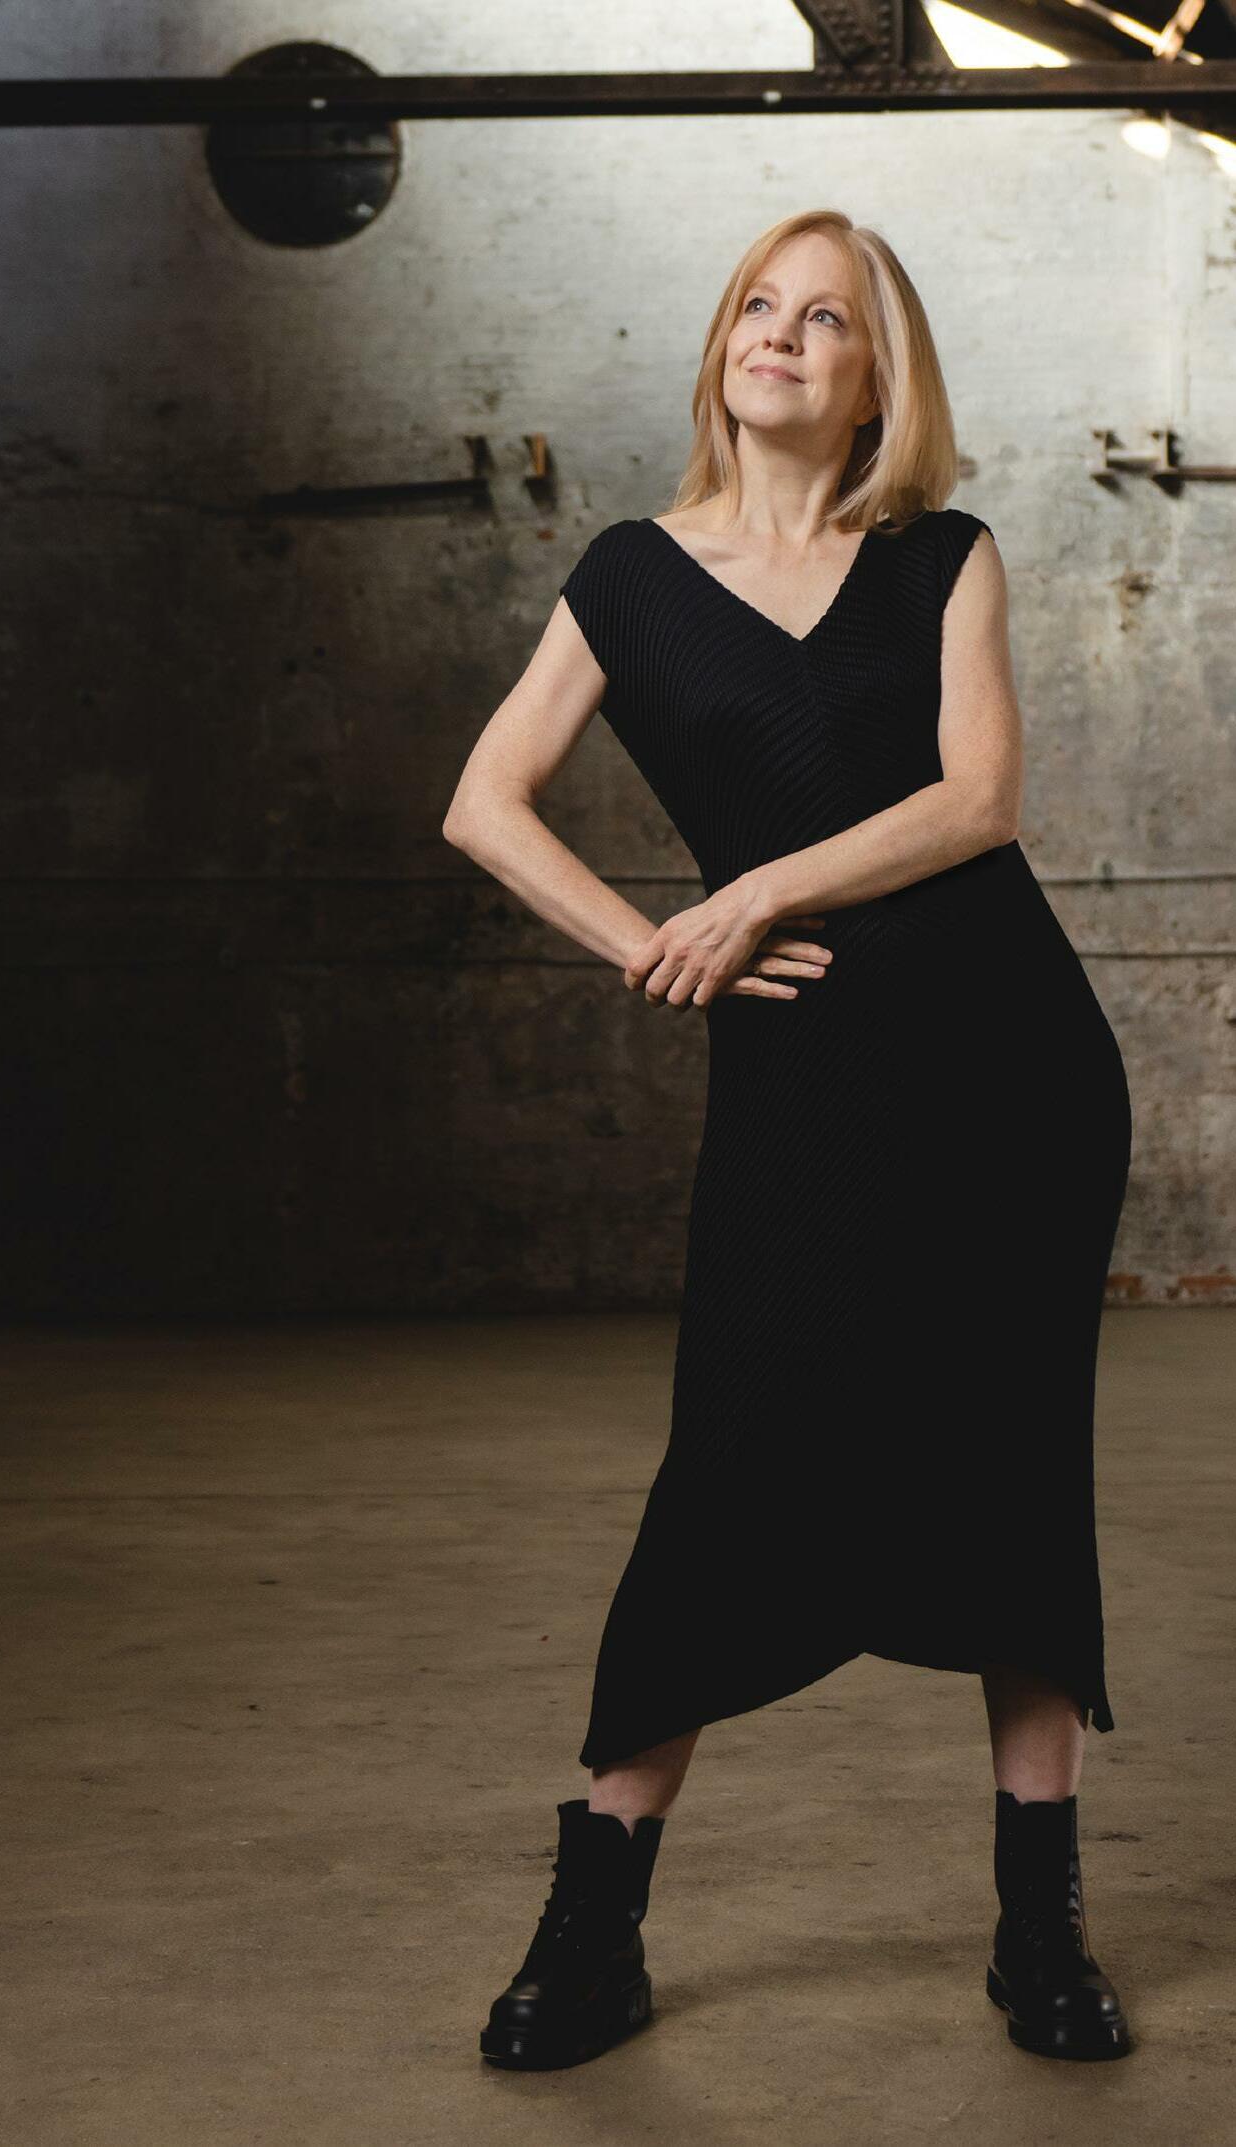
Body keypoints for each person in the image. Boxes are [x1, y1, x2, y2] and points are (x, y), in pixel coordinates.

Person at [442, 208, 1135, 2070]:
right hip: (803, 1081)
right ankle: (594, 1929)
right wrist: (649, 944)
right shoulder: (628, 575)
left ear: (875, 378)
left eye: (827, 319)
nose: (780, 333)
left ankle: (1040, 1928)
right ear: (722, 345)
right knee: (728, 1472)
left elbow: (979, 801)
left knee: (1013, 1470)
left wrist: (747, 890)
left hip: (1006, 1068)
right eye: (759, 304)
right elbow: (484, 803)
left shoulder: (944, 559)